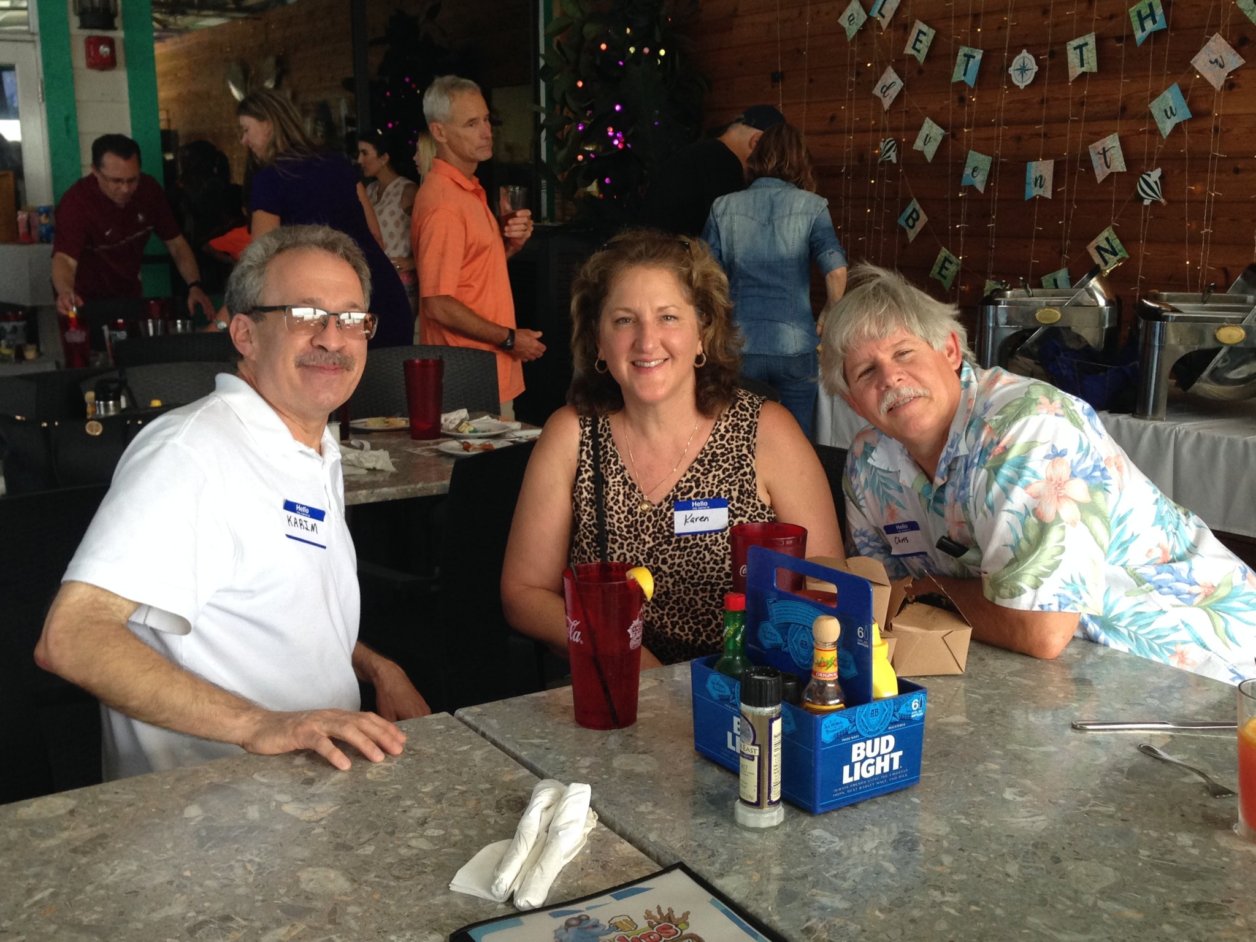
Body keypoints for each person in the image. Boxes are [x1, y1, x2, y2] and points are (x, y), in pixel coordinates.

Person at [35, 225, 432, 780]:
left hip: (308, 784)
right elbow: (72, 637)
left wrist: (371, 664)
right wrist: (258, 725)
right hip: (206, 813)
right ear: (244, 333)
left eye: (350, 319)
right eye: (304, 315)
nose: (332, 338)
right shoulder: (192, 452)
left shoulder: (310, 445)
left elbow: (266, 608)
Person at [820, 263, 1256, 684]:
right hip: (1065, 679)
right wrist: (912, 593)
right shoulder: (869, 462)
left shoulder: (1028, 428)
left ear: (950, 351)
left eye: (903, 352)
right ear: (855, 403)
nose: (891, 377)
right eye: (865, 371)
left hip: (1205, 674)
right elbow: (875, 596)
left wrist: (922, 588)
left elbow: (1038, 631)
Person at [501, 230, 842, 667]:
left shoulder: (766, 432)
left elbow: (828, 580)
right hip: (612, 694)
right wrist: (625, 654)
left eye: (668, 318)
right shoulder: (572, 434)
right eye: (624, 320)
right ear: (599, 341)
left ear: (703, 331)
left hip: (742, 693)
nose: (646, 341)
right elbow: (524, 595)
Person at [703, 121, 848, 437]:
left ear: (759, 156)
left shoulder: (722, 207)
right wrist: (829, 312)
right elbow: (836, 270)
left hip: (739, 344)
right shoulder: (812, 206)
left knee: (738, 440)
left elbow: (706, 278)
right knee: (795, 444)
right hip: (795, 345)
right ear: (799, 160)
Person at [237, 90, 413, 347]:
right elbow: (376, 236)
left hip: (332, 316)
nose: (244, 140)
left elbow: (260, 265)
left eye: (246, 130)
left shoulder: (270, 179)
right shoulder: (339, 164)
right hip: (382, 296)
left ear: (268, 125)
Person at [411, 75, 545, 411]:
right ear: (439, 132)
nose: (487, 131)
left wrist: (508, 247)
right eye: (472, 124)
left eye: (486, 119)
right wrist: (511, 338)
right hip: (467, 380)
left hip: (481, 373)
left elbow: (466, 276)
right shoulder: (445, 203)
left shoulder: (467, 190)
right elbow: (438, 303)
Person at [52, 134, 214, 322]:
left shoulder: (149, 191)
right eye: (116, 181)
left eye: (132, 180)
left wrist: (194, 286)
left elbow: (176, 244)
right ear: (95, 171)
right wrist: (65, 292)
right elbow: (64, 259)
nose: (125, 189)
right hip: (83, 302)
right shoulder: (76, 203)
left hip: (130, 297)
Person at [639, 104, 784, 237]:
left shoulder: (698, 154)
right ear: (756, 141)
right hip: (671, 258)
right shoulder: (725, 167)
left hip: (652, 250)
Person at [357, 130, 418, 313]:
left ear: (384, 158)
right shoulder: (370, 190)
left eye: (365, 153)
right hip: (374, 278)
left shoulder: (407, 190)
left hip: (401, 280)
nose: (360, 160)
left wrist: (413, 261)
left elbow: (429, 232)